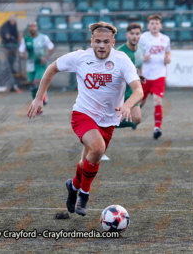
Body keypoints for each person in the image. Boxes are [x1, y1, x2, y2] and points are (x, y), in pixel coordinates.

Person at [27, 21, 143, 216]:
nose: (101, 46)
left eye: (106, 42)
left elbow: (138, 90)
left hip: (108, 121)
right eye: (97, 41)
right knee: (98, 149)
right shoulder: (80, 57)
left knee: (90, 159)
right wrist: (39, 98)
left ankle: (73, 186)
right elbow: (51, 68)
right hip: (83, 114)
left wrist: (127, 105)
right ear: (91, 41)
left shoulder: (122, 60)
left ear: (113, 42)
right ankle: (84, 196)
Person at [138, 15, 171, 140]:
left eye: (157, 23)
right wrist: (142, 58)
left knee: (157, 101)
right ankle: (134, 119)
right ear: (148, 25)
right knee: (141, 102)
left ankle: (157, 128)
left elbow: (168, 51)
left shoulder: (165, 39)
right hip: (145, 75)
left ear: (160, 25)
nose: (154, 25)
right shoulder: (143, 38)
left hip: (159, 75)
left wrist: (168, 57)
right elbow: (136, 53)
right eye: (152, 23)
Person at [116, 23, 146, 129]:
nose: (134, 36)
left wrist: (140, 75)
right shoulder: (119, 52)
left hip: (132, 89)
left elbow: (140, 63)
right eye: (132, 34)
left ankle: (111, 124)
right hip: (119, 89)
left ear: (140, 35)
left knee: (137, 120)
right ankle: (108, 124)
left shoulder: (142, 49)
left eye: (137, 34)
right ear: (126, 35)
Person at [19, 21, 55, 110]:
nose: (33, 28)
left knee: (37, 82)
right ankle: (37, 108)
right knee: (32, 85)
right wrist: (22, 54)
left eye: (34, 26)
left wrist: (45, 57)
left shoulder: (43, 37)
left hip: (40, 64)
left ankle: (43, 97)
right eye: (31, 26)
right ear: (29, 28)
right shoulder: (26, 39)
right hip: (30, 64)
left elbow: (51, 47)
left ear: (37, 27)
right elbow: (21, 50)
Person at [0, 15, 21, 93]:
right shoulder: (5, 26)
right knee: (6, 67)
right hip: (7, 48)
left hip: (12, 49)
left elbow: (16, 36)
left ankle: (12, 85)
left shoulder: (14, 26)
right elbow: (3, 33)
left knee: (11, 67)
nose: (14, 22)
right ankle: (9, 85)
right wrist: (7, 36)